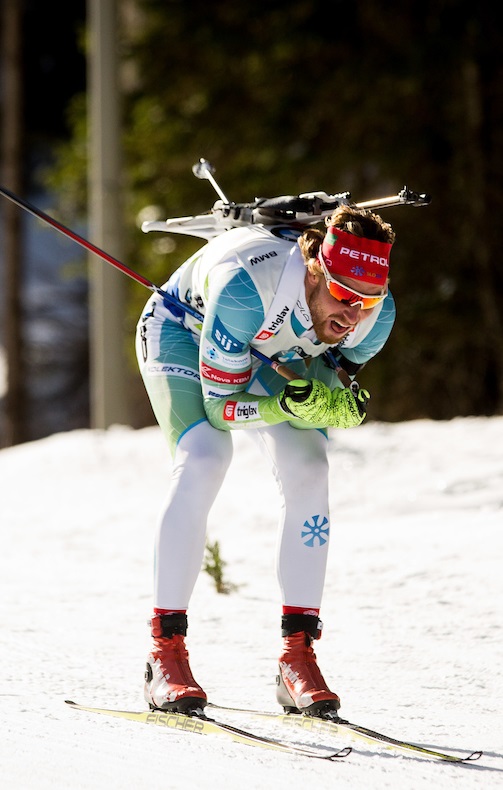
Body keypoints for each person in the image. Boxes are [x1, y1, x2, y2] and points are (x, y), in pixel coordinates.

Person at [136, 203, 396, 717]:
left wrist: (326, 398)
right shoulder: (244, 290)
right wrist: (283, 403)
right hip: (184, 333)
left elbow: (324, 373)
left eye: (369, 299)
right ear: (317, 269)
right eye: (344, 295)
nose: (352, 315)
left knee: (311, 467)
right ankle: (164, 654)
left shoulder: (373, 319)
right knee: (206, 455)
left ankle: (296, 657)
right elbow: (219, 406)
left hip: (264, 352)